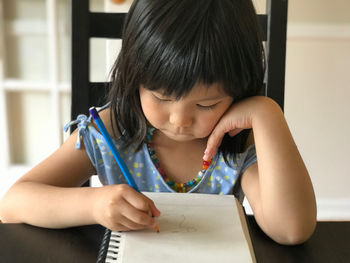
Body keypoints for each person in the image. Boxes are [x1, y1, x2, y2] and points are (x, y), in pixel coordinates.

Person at [0, 0, 316, 245]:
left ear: (239, 90)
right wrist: (93, 205)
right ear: (133, 77)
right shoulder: (113, 130)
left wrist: (266, 112)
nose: (179, 119)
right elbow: (12, 204)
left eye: (207, 104)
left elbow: (291, 230)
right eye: (161, 97)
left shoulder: (237, 142)